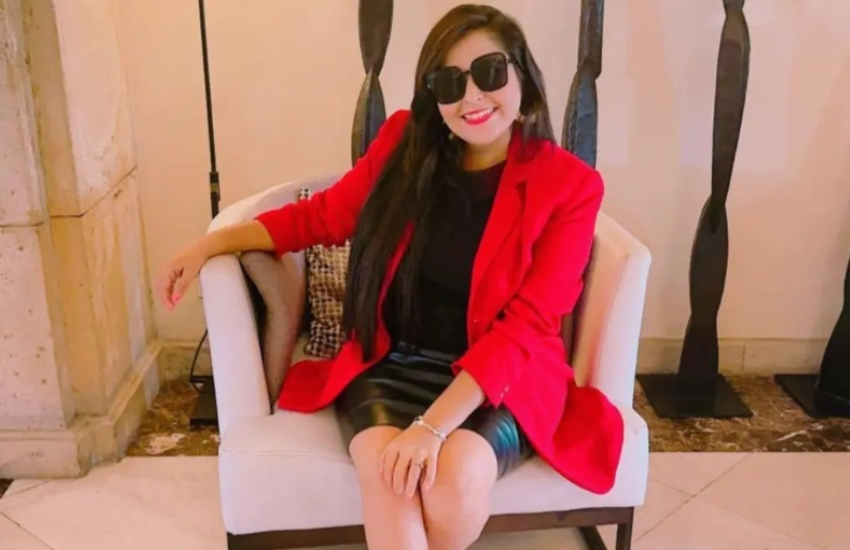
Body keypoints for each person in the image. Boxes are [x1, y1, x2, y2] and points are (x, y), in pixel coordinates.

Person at [156, 4, 624, 550]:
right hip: (395, 360)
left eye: (490, 72)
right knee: (389, 478)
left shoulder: (569, 185)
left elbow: (529, 323)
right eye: (450, 82)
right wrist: (210, 242)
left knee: (452, 484)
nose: (472, 96)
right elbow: (323, 216)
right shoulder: (406, 143)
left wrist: (432, 427)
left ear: (523, 75)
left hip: (503, 378)